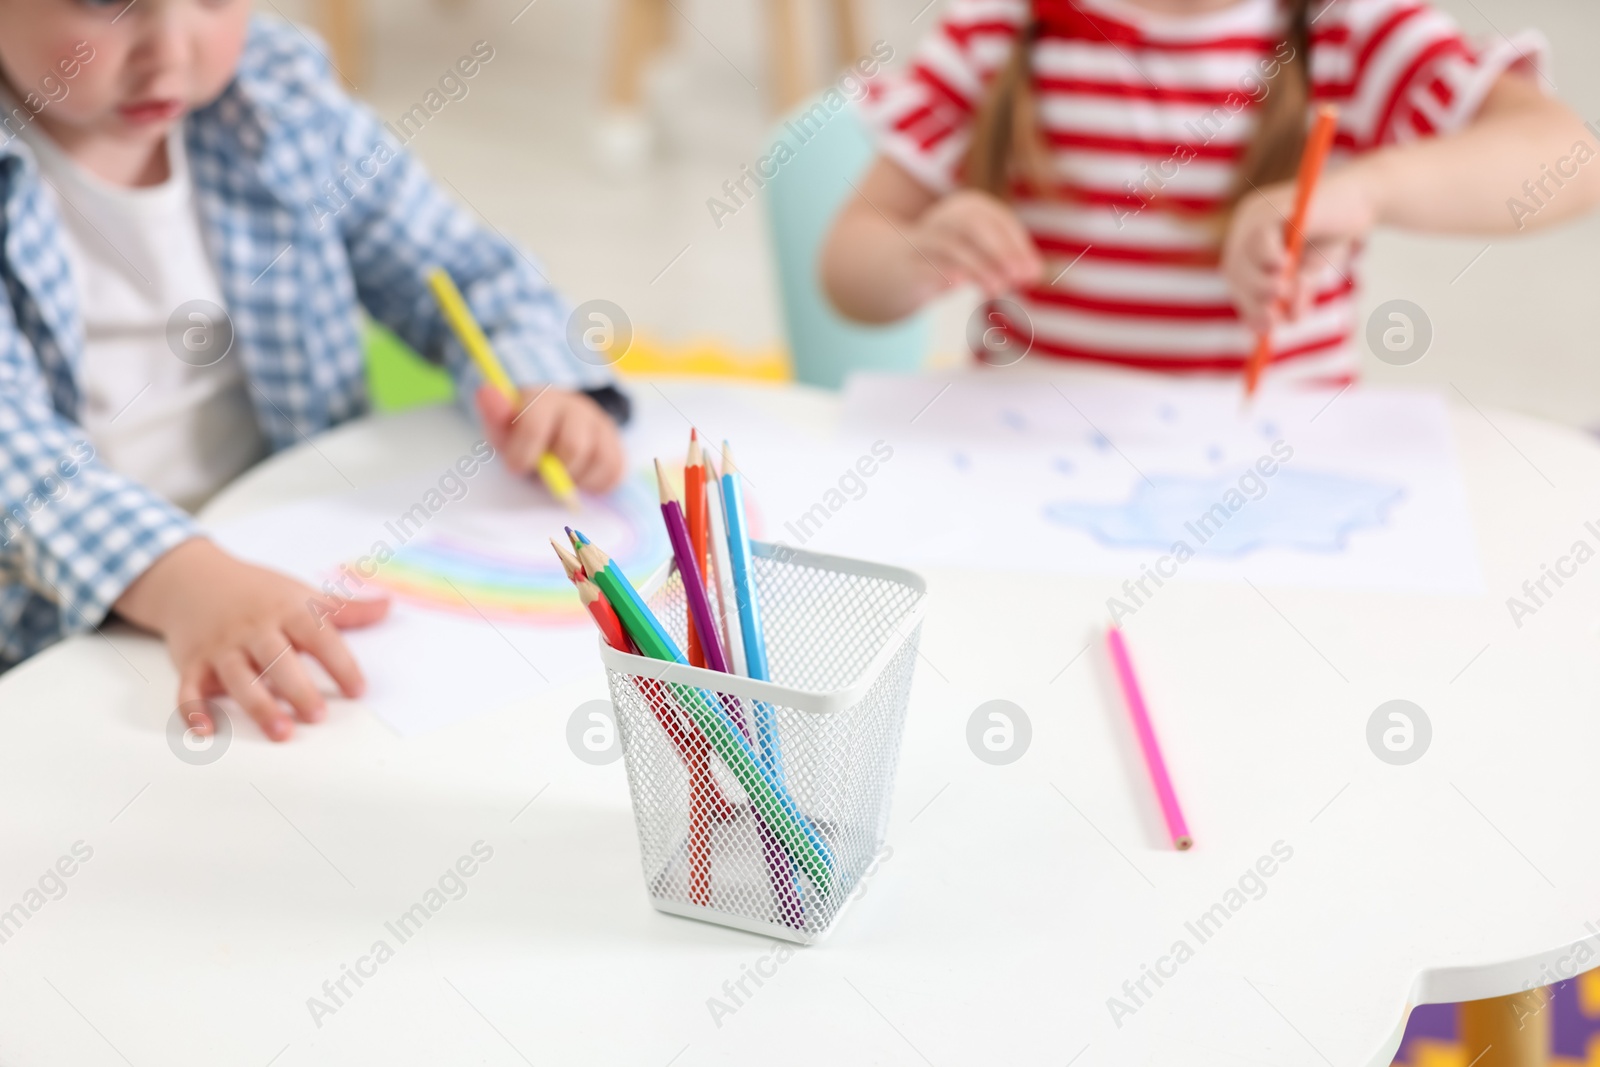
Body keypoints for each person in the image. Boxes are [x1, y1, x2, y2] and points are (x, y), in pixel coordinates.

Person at [0, 1, 626, 741]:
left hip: (295, 570)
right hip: (66, 622)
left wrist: (535, 376)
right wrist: (184, 580)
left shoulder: (278, 98)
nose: (170, 50)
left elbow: (469, 270)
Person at [823, 0, 1598, 381]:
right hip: (1024, 483)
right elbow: (848, 269)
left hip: (1270, 481)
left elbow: (1570, 159)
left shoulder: (1345, 27)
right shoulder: (1000, 29)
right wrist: (915, 258)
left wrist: (1369, 190)